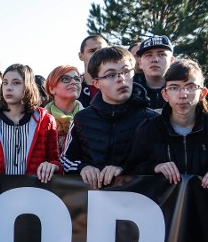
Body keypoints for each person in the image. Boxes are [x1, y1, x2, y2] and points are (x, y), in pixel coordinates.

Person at [62, 46, 158, 189]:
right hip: (93, 203)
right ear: (96, 83)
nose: (121, 79)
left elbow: (161, 163)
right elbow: (66, 160)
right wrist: (83, 167)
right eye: (111, 75)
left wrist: (125, 170)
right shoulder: (82, 119)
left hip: (141, 202)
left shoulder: (152, 119)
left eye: (126, 71)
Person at [126, 59, 208, 187]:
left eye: (190, 87)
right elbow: (130, 171)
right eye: (174, 88)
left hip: (207, 204)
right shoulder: (148, 129)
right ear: (165, 94)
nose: (183, 95)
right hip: (163, 205)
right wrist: (155, 168)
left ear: (202, 93)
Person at [0, 64, 60, 183]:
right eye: (5, 83)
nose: (8, 88)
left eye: (16, 83)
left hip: (35, 192)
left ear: (29, 86)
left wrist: (52, 166)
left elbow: (55, 161)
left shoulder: (46, 121)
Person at [44, 65, 84, 154]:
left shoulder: (90, 118)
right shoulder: (40, 120)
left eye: (77, 79)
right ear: (51, 89)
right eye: (66, 79)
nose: (74, 82)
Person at [135, 35, 175, 110]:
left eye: (161, 54)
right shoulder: (129, 91)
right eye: (148, 55)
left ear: (171, 61)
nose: (155, 59)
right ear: (140, 63)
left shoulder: (184, 90)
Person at [77, 34, 110, 107]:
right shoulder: (72, 87)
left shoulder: (119, 84)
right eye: (92, 51)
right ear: (81, 56)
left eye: (103, 51)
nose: (98, 54)